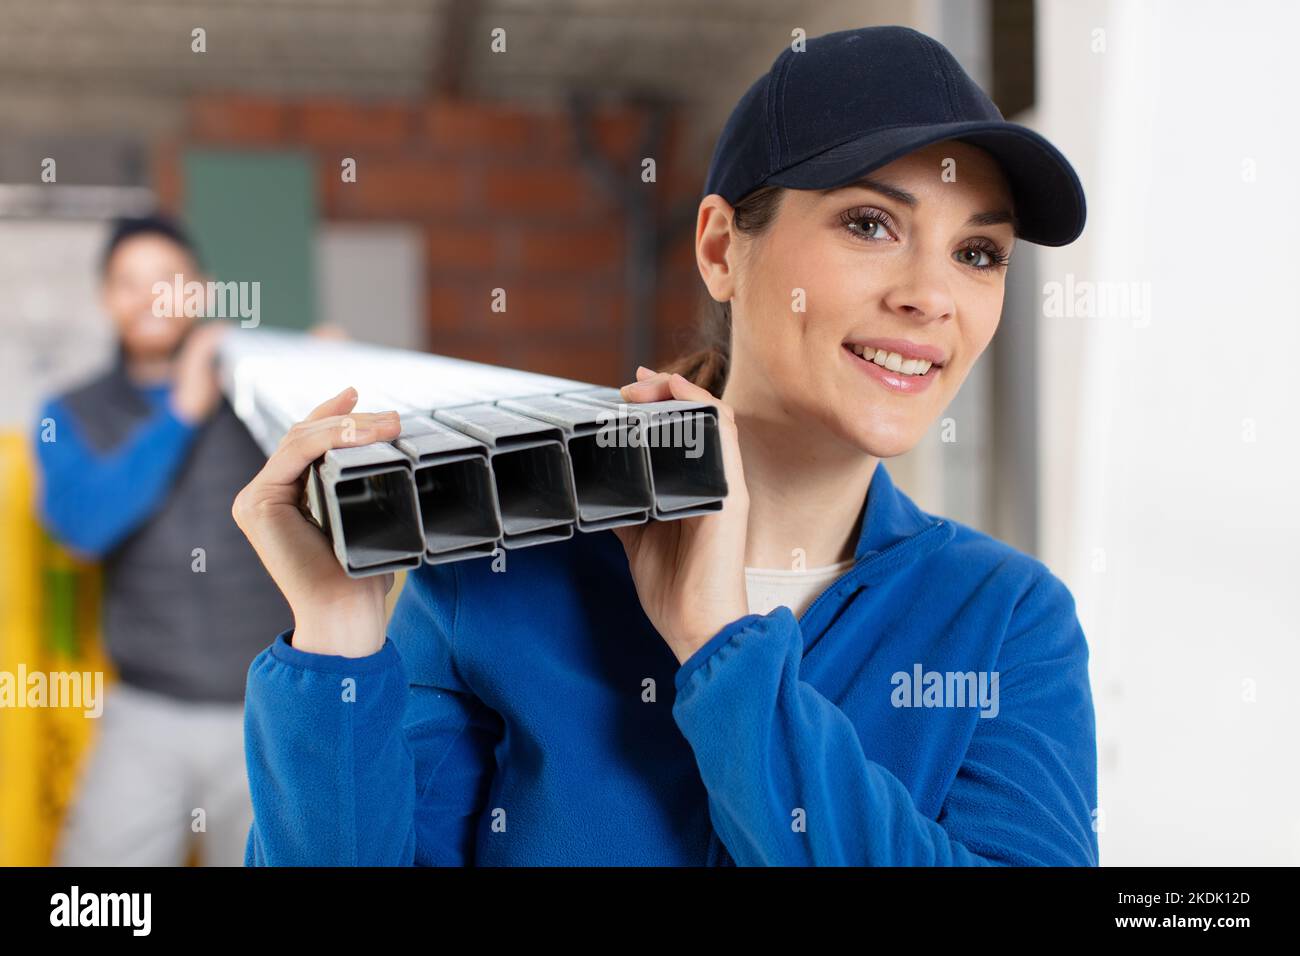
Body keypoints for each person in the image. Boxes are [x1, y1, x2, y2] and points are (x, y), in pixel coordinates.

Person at [234, 26, 1097, 866]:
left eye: (979, 252)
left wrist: (723, 647)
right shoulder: (502, 573)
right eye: (870, 224)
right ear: (722, 248)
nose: (932, 297)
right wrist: (338, 645)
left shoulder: (1005, 621)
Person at [34, 214, 291, 866]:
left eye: (168, 281)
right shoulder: (70, 414)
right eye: (129, 283)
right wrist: (183, 409)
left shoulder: (267, 397)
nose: (150, 298)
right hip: (143, 714)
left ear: (201, 292)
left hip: (269, 713)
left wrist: (330, 375)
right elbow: (81, 528)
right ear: (105, 299)